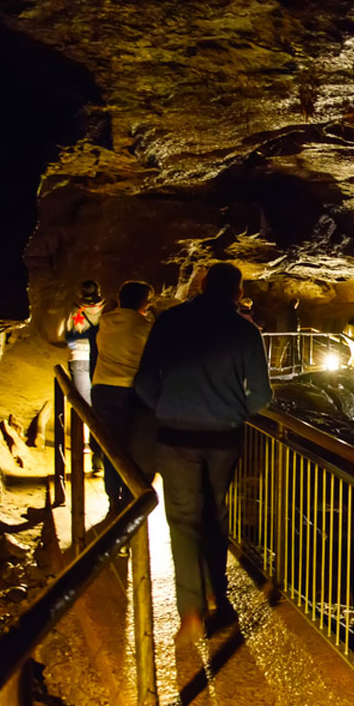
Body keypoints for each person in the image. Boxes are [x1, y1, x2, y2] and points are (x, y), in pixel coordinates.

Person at [134, 263, 271, 643]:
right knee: (215, 513)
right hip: (223, 437)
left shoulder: (170, 321)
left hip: (176, 436)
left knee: (182, 520)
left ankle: (191, 610)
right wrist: (231, 410)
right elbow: (261, 395)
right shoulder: (245, 332)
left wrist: (168, 408)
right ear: (237, 292)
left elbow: (144, 381)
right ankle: (217, 593)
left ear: (202, 284)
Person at [91, 281, 153, 511]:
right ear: (143, 303)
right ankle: (130, 497)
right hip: (131, 391)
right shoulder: (145, 327)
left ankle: (112, 499)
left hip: (103, 389)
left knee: (111, 447)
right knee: (133, 449)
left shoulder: (106, 321)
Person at [59, 280, 104, 404]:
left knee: (84, 402)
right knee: (100, 399)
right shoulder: (106, 308)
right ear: (98, 291)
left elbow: (62, 331)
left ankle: (87, 423)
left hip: (78, 354)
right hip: (100, 354)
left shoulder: (75, 308)